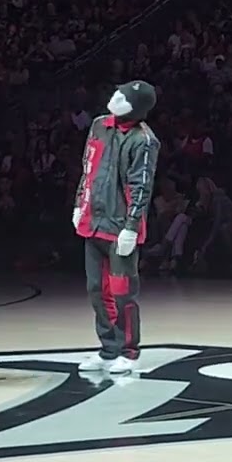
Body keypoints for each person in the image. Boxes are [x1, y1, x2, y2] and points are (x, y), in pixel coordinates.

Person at [72, 80, 159, 375]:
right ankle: (108, 348)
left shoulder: (144, 140)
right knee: (96, 289)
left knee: (123, 291)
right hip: (93, 221)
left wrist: (132, 226)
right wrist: (79, 204)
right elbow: (88, 168)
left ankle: (129, 351)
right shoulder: (99, 126)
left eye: (124, 96)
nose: (116, 97)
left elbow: (141, 186)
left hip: (120, 227)